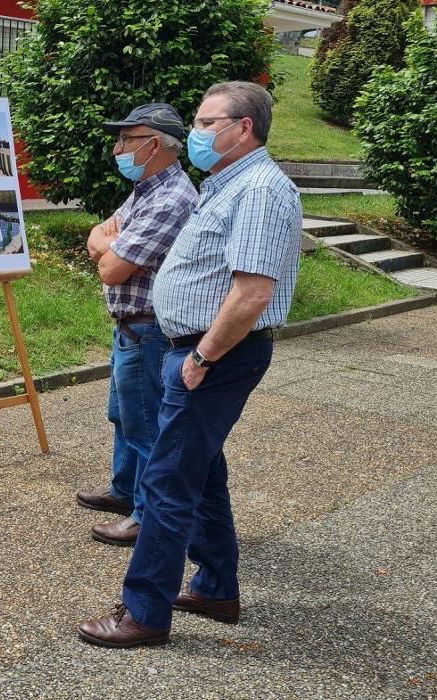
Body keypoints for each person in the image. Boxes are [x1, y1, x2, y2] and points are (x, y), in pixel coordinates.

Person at [76, 81, 303, 647]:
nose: (195, 133)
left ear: (242, 129)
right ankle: (216, 588)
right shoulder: (226, 184)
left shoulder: (260, 190)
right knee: (201, 475)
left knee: (166, 483)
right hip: (196, 347)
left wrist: (202, 357)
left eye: (205, 123)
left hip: (214, 353)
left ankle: (144, 613)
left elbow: (252, 293)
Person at [75, 103, 197, 548]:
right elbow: (97, 236)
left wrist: (109, 244)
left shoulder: (171, 198)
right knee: (124, 415)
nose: (117, 149)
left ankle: (146, 515)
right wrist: (107, 241)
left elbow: (111, 269)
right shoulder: (147, 190)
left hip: (149, 330)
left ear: (155, 144)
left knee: (146, 424)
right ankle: (124, 490)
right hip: (131, 327)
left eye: (127, 140)